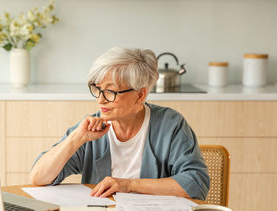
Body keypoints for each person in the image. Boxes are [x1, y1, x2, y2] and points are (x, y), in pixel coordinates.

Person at [30, 47, 209, 200]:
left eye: (110, 91)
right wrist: (76, 137)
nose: (100, 100)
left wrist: (128, 185)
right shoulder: (91, 130)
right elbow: (39, 178)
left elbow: (196, 183)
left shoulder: (170, 125)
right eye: (97, 89)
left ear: (140, 95)